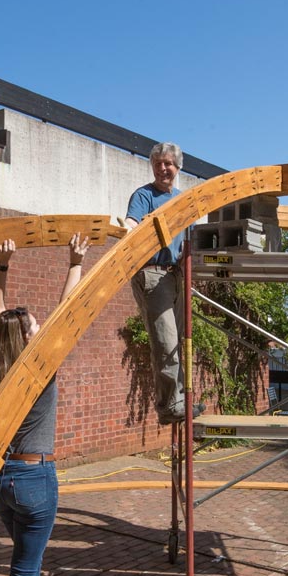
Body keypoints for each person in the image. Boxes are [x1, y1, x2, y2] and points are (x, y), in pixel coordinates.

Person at [0, 233, 87, 576]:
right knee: (26, 570)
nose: (41, 325)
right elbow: (70, 310)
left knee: (30, 557)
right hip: (33, 478)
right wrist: (75, 262)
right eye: (33, 325)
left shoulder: (0, 362)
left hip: (0, 480)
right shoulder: (39, 367)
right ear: (28, 338)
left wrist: (2, 267)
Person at [124, 141, 189, 425]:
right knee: (166, 342)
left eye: (168, 163)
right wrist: (128, 229)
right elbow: (130, 224)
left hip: (175, 275)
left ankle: (181, 401)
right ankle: (169, 407)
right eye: (158, 163)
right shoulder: (144, 196)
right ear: (153, 166)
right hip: (152, 273)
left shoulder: (182, 200)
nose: (163, 168)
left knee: (179, 344)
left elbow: (188, 241)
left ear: (178, 167)